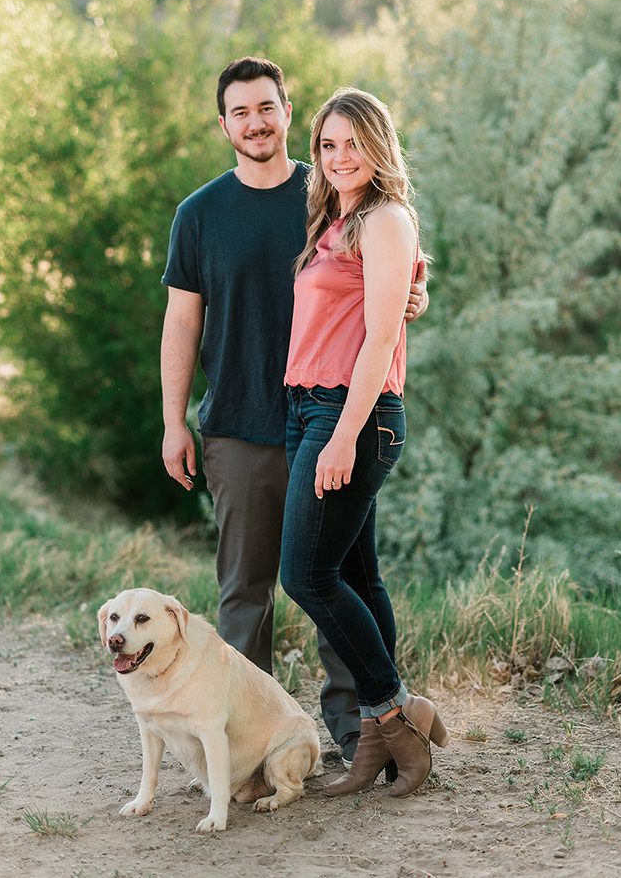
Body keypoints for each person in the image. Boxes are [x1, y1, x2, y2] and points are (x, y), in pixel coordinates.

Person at [159, 57, 426, 765]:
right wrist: (172, 418)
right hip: (239, 426)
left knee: (327, 576)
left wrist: (412, 298)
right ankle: (247, 744)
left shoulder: (334, 189)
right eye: (239, 111)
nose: (255, 121)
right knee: (248, 592)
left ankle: (357, 729)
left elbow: (384, 280)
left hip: (330, 418)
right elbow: (180, 325)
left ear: (286, 110)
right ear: (224, 124)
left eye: (266, 107)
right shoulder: (201, 214)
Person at [278, 87, 448, 797]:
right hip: (311, 408)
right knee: (357, 574)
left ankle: (393, 710)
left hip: (352, 414)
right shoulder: (335, 218)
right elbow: (382, 304)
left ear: (378, 147)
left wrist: (343, 435)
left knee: (307, 575)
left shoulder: (383, 218)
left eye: (353, 142)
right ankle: (380, 745)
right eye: (328, 144)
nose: (340, 156)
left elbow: (383, 335)